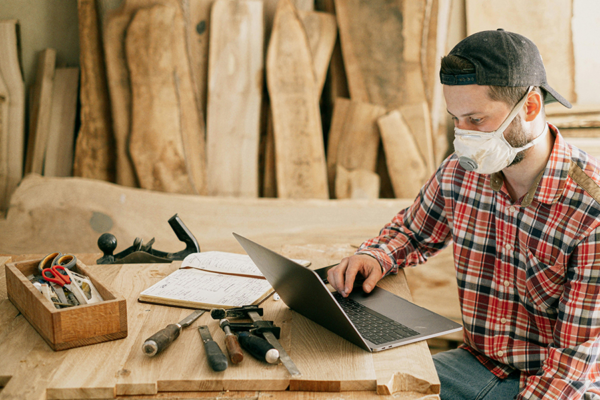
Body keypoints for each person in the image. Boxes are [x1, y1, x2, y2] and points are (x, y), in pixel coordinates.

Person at [327, 29, 600, 400]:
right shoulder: (462, 172)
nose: (463, 136)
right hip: (477, 364)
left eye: (475, 119)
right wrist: (374, 256)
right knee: (364, 390)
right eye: (455, 119)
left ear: (530, 107)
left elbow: (571, 365)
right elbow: (413, 232)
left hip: (554, 385)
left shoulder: (591, 213)